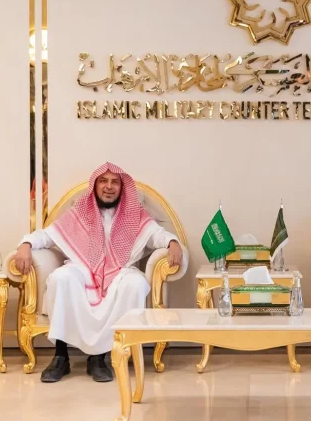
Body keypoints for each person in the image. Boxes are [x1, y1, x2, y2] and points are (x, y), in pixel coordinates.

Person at [14, 162, 184, 383]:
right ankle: (61, 357)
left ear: (122, 187)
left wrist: (172, 242)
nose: (109, 187)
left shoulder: (135, 215)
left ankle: (99, 357)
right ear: (95, 186)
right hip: (83, 270)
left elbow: (156, 234)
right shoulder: (79, 213)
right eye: (103, 181)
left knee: (135, 283)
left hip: (120, 272)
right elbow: (46, 235)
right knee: (61, 278)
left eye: (115, 182)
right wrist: (25, 244)